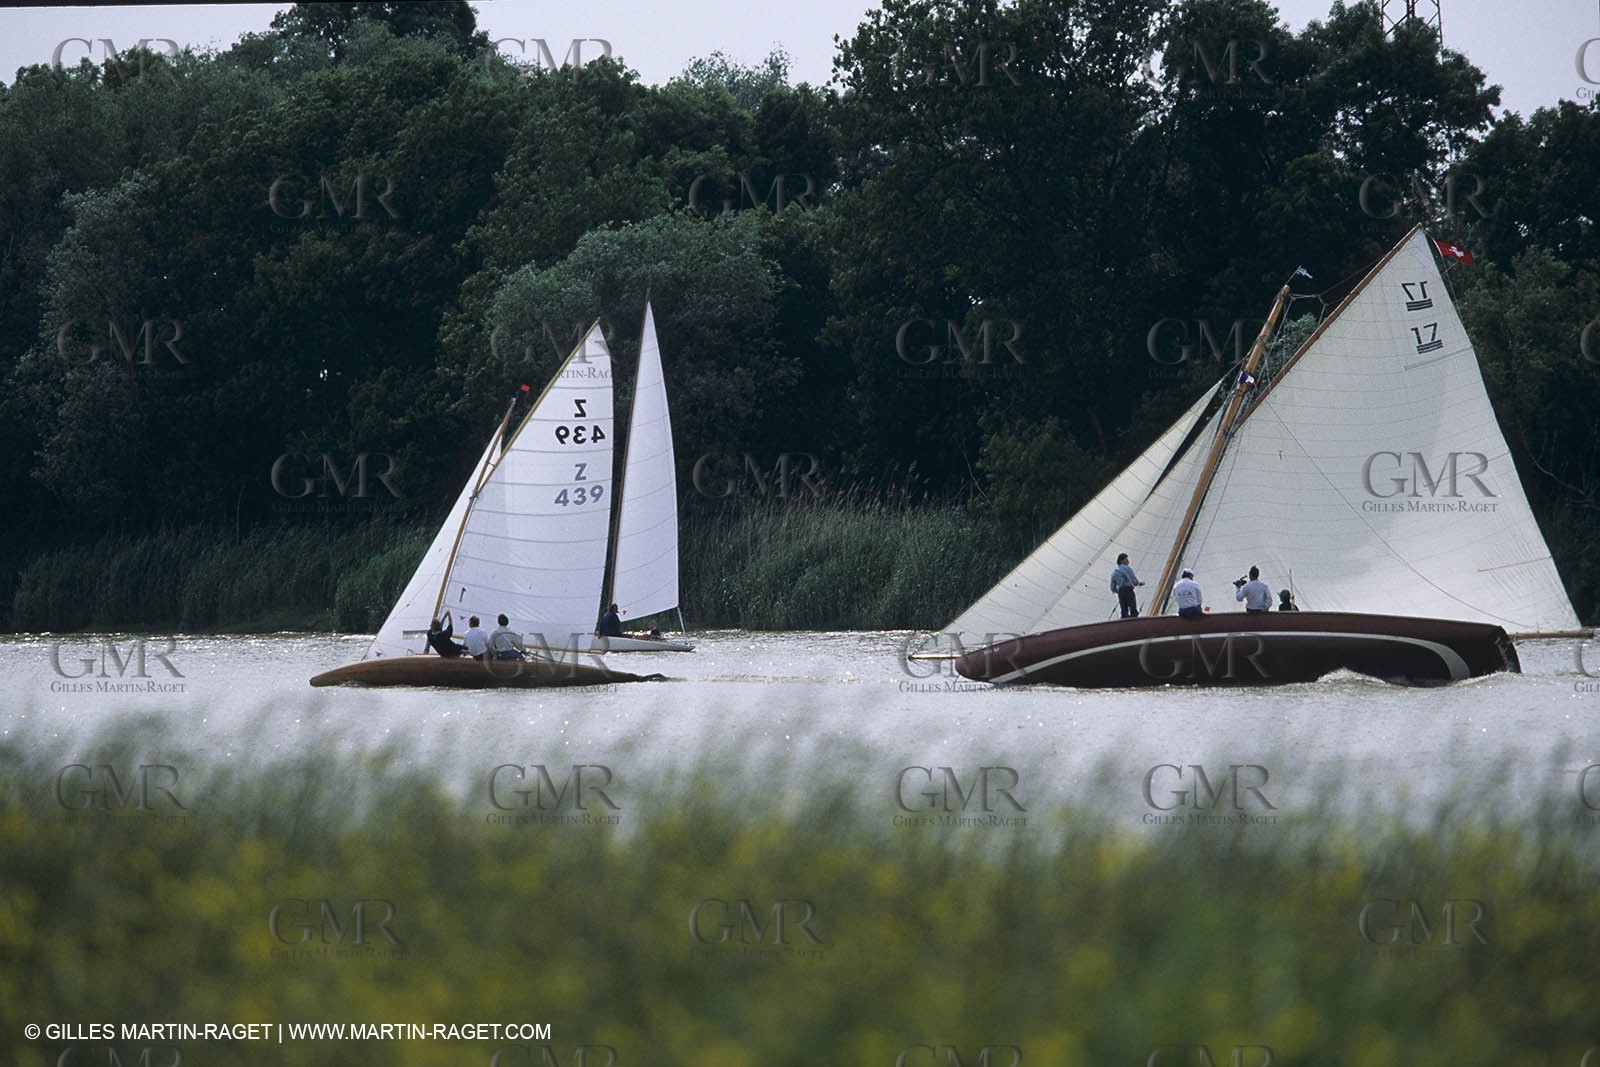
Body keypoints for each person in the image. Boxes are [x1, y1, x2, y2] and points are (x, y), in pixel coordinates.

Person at [1109, 552, 1144, 619]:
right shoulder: (1127, 568)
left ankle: (1124, 620)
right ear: (1122, 560)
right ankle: (1134, 620)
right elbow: (1133, 580)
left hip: (1120, 592)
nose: (1128, 561)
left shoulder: (1114, 573)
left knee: (1124, 609)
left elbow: (1112, 587)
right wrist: (1139, 583)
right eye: (1126, 559)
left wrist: (1118, 591)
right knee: (1132, 607)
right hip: (1128, 590)